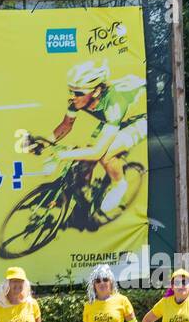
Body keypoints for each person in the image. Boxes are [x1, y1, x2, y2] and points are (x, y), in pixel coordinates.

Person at [38, 60, 147, 217]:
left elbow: (97, 152)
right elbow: (66, 126)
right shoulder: (80, 98)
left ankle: (119, 185)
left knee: (105, 154)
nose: (72, 97)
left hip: (141, 118)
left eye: (78, 93)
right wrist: (43, 144)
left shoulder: (114, 103)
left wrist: (61, 155)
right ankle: (84, 196)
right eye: (71, 91)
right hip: (112, 119)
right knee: (84, 155)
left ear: (96, 92)